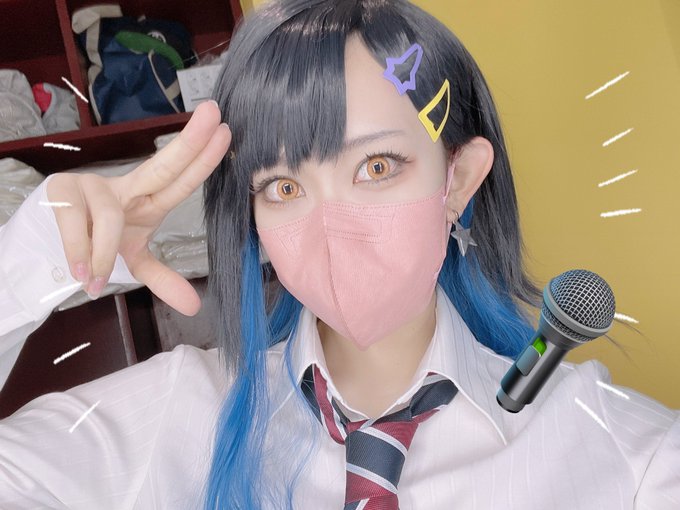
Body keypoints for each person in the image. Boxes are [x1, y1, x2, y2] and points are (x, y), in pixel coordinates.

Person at [0, 0, 678, 508]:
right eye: (283, 186)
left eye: (377, 167)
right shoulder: (174, 415)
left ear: (459, 179)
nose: (331, 228)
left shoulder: (621, 452)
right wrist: (36, 259)